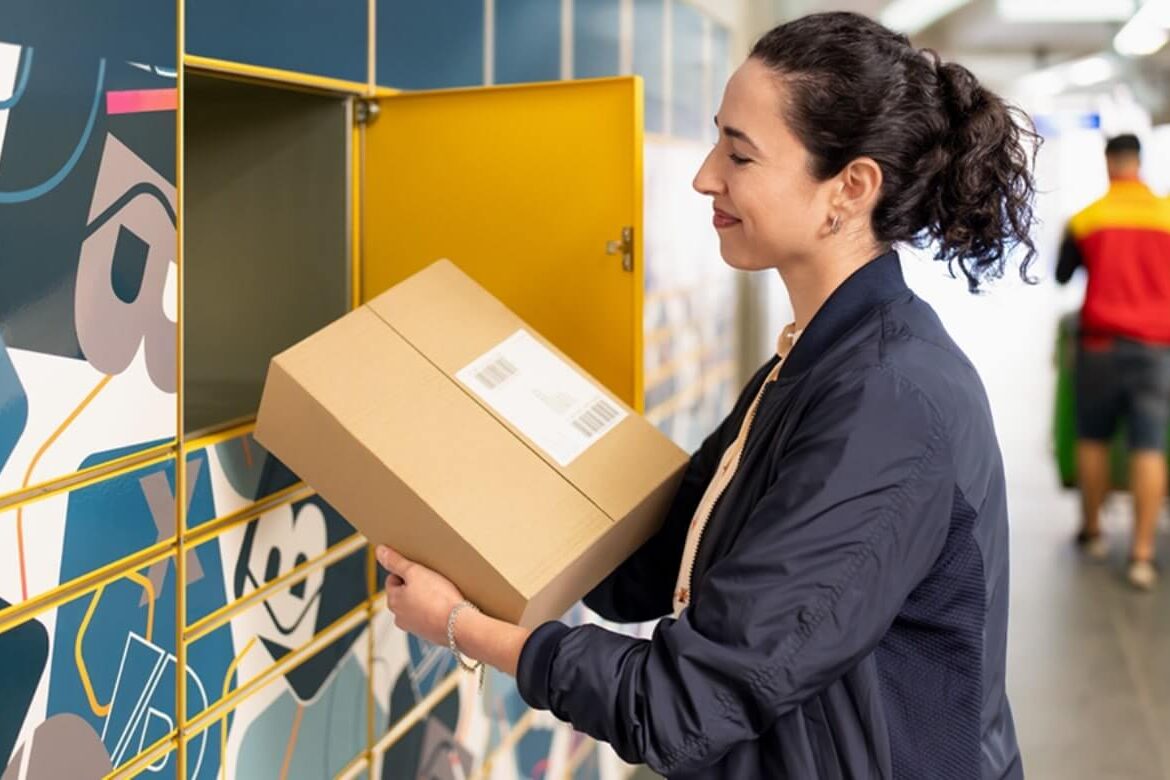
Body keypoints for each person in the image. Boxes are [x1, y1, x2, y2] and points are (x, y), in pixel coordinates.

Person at [376, 12, 1034, 778]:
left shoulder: (887, 401)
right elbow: (647, 571)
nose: (704, 177)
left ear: (849, 188)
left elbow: (683, 705)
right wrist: (480, 465)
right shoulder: (812, 365)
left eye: (740, 154)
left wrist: (461, 627)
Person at [1056, 134, 1170, 591]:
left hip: (1100, 346)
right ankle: (1142, 553)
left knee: (1093, 438)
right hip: (1156, 349)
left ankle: (1094, 532)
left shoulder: (1087, 219)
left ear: (1109, 164)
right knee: (1149, 445)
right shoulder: (1166, 215)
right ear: (1139, 163)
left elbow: (1063, 274)